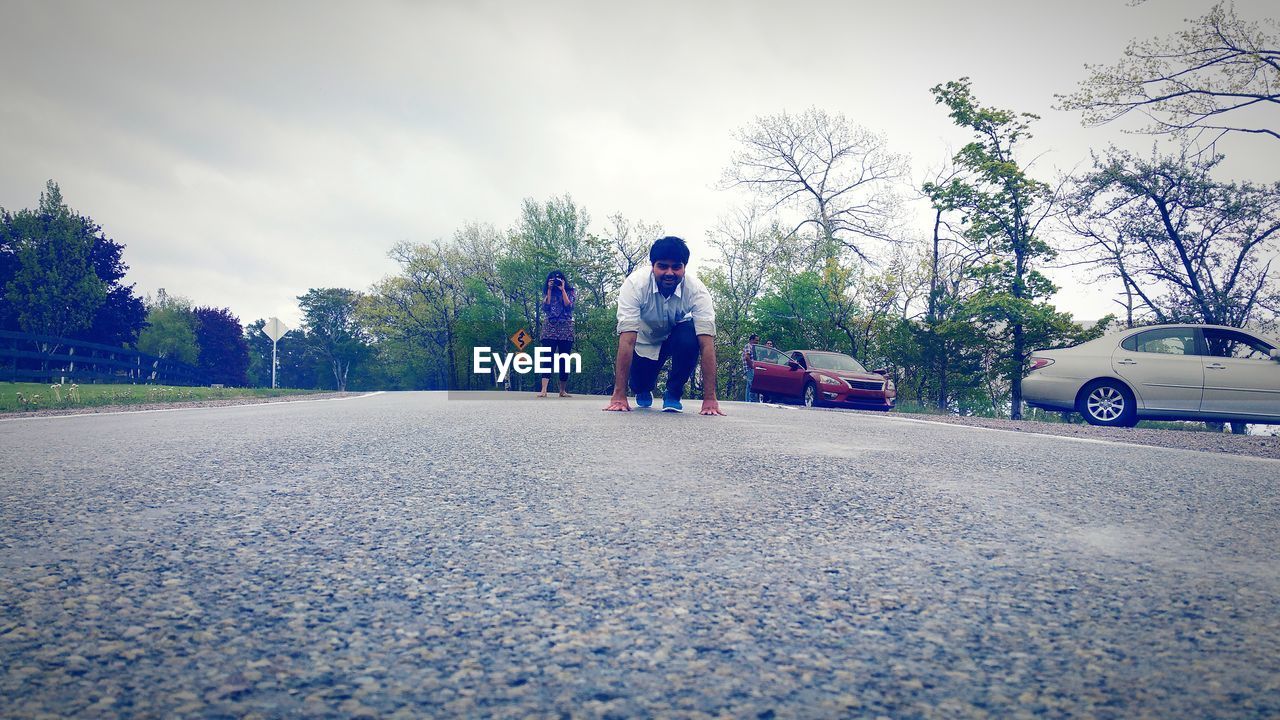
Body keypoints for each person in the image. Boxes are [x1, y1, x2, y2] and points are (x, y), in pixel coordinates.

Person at [603, 236, 724, 415]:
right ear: (653, 266)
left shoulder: (697, 291)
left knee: (691, 336)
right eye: (662, 266)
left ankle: (673, 393)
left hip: (675, 334)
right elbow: (627, 340)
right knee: (640, 384)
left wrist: (710, 399)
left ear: (684, 267)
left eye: (676, 267)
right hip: (644, 339)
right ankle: (643, 388)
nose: (669, 273)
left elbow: (707, 345)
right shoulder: (635, 285)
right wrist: (619, 395)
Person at [537, 269, 575, 398]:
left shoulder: (570, 291)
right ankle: (544, 389)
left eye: (559, 278)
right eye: (552, 278)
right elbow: (545, 307)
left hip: (566, 327)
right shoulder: (547, 293)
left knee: (564, 358)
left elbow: (569, 306)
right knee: (547, 357)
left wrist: (563, 289)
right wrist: (549, 290)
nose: (556, 280)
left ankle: (562, 390)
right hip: (550, 327)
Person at [742, 333, 759, 402]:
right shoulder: (749, 346)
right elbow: (747, 357)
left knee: (748, 386)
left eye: (758, 341)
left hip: (749, 368)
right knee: (752, 385)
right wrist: (752, 366)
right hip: (749, 368)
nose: (757, 342)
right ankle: (752, 401)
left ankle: (747, 401)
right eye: (756, 340)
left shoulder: (752, 347)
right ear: (751, 340)